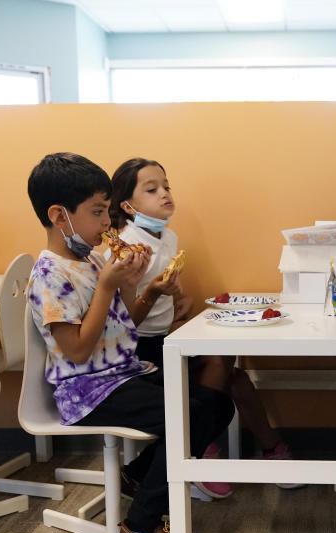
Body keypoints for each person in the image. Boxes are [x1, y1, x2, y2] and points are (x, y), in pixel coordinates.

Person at [25, 152, 234, 533]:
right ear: (58, 215)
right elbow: (78, 350)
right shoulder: (50, 273)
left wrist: (141, 290)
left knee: (216, 404)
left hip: (123, 372)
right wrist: (106, 287)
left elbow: (126, 327)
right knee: (186, 415)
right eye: (97, 212)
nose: (107, 223)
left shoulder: (91, 259)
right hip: (87, 391)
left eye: (106, 211)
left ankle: (139, 475)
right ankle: (140, 525)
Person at [107, 158, 300, 500]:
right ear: (127, 206)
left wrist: (180, 302)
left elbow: (169, 288)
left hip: (163, 341)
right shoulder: (127, 247)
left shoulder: (166, 236)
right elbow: (123, 322)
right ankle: (198, 452)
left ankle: (269, 449)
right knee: (218, 364)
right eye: (151, 190)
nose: (164, 193)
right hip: (137, 352)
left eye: (166, 186)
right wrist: (156, 296)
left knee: (234, 375)